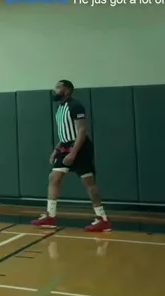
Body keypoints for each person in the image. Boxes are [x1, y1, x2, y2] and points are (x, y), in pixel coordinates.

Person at [31, 80, 111, 232]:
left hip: (80, 147)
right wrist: (56, 149)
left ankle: (102, 219)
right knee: (54, 178)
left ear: (66, 91)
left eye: (58, 87)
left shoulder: (75, 106)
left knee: (88, 183)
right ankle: (51, 216)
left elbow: (82, 130)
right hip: (65, 146)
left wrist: (74, 152)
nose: (54, 90)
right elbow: (65, 133)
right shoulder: (60, 108)